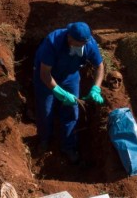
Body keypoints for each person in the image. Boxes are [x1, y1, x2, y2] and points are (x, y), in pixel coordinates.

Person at [33, 22, 105, 164]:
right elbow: (44, 73)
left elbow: (99, 66)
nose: (80, 47)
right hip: (46, 77)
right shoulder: (53, 42)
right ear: (69, 38)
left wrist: (96, 87)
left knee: (72, 111)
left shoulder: (89, 44)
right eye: (77, 44)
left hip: (70, 76)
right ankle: (44, 139)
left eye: (83, 44)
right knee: (46, 111)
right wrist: (59, 92)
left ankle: (68, 146)